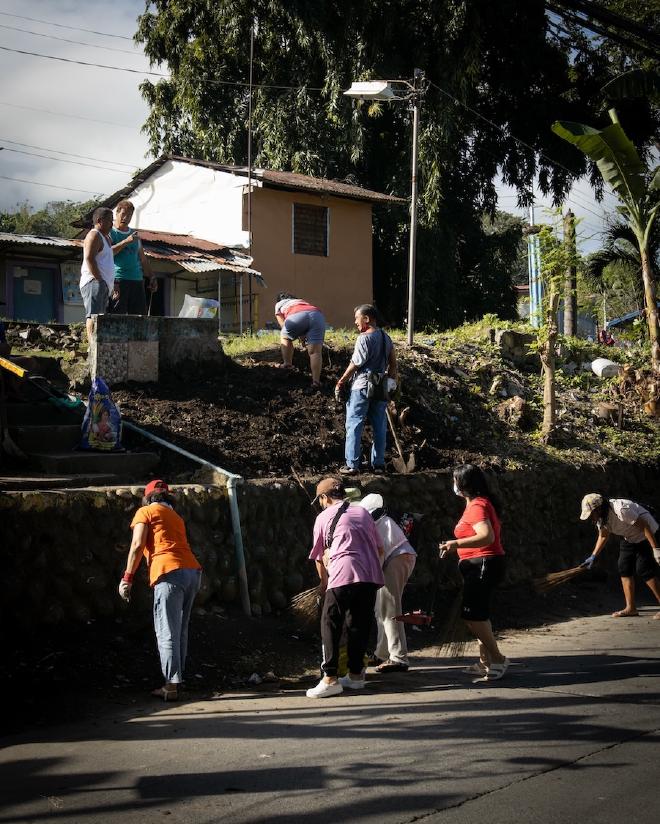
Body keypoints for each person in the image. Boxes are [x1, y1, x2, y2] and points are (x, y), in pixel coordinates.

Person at [118, 479, 202, 701]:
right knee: (180, 630)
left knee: (166, 630)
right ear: (168, 497)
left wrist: (127, 577)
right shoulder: (176, 517)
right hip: (192, 571)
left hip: (168, 572)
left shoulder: (145, 511)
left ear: (148, 497)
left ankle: (170, 687)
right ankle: (177, 681)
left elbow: (137, 545)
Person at [306, 477, 384, 698]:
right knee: (358, 623)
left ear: (324, 497)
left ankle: (330, 678)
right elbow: (379, 549)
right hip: (370, 575)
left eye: (320, 500)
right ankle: (356, 675)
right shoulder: (363, 514)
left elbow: (319, 558)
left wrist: (324, 585)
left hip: (343, 573)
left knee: (330, 621)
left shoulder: (323, 517)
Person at [439, 464, 509, 681]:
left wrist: (455, 543)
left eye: (454, 480)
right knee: (480, 614)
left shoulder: (478, 506)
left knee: (472, 616)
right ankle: (485, 661)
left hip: (483, 563)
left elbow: (486, 536)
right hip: (480, 564)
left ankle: (498, 658)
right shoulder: (479, 504)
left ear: (462, 483)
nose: (453, 485)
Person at [335, 304, 397, 476]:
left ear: (367, 319)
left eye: (357, 318)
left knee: (354, 423)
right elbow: (393, 364)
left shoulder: (364, 338)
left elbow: (356, 363)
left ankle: (352, 464)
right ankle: (378, 464)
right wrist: (392, 382)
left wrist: (341, 381)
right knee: (379, 425)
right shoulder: (386, 338)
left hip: (362, 385)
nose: (355, 322)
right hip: (381, 385)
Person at [358, 493, 416, 672]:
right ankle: (382, 653)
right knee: (381, 608)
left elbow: (379, 552)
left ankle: (398, 658)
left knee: (390, 608)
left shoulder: (367, 520)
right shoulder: (378, 518)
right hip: (400, 555)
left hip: (396, 557)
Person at [579, 493, 660, 619]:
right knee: (624, 567)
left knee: (644, 569)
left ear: (599, 509)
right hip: (629, 537)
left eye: (591, 514)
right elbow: (604, 535)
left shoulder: (621, 510)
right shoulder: (601, 517)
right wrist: (593, 556)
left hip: (648, 534)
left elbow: (645, 526)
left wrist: (656, 549)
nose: (590, 517)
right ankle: (631, 608)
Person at [109, 199, 157, 315]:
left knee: (139, 317)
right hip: (118, 280)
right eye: (123, 214)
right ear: (117, 213)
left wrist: (152, 277)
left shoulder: (135, 235)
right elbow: (107, 254)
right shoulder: (110, 232)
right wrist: (126, 241)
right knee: (116, 316)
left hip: (137, 280)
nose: (126, 218)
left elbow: (143, 259)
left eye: (129, 215)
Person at [274, 292, 326, 388]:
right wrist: (302, 340)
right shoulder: (301, 301)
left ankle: (287, 364)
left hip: (296, 316)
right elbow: (306, 319)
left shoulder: (279, 304)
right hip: (317, 315)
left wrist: (291, 334)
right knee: (315, 352)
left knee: (285, 336)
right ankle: (316, 381)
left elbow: (284, 325)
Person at [79, 207, 115, 340]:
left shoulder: (106, 238)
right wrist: (99, 280)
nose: (112, 224)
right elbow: (89, 258)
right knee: (93, 316)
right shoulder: (94, 235)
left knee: (99, 318)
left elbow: (107, 259)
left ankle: (96, 347)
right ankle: (92, 348)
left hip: (102, 284)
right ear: (100, 221)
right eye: (110, 220)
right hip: (94, 282)